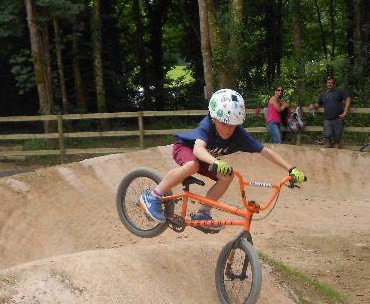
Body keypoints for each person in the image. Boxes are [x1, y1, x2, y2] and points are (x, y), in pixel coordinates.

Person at [140, 88, 306, 232]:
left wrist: (291, 168)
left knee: (228, 175)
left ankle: (202, 213)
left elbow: (265, 152)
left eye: (234, 124)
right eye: (224, 124)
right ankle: (153, 196)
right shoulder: (207, 125)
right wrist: (215, 162)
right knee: (192, 165)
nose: (229, 129)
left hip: (207, 159)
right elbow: (198, 149)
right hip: (186, 149)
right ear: (214, 118)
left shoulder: (238, 134)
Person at [310, 76, 351, 148]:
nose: (330, 84)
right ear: (326, 84)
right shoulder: (323, 94)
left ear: (334, 84)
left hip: (338, 118)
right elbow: (318, 104)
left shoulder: (339, 91)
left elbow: (348, 99)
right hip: (327, 119)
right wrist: (313, 106)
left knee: (337, 139)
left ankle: (336, 155)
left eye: (331, 83)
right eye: (328, 83)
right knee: (327, 134)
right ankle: (328, 148)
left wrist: (345, 112)